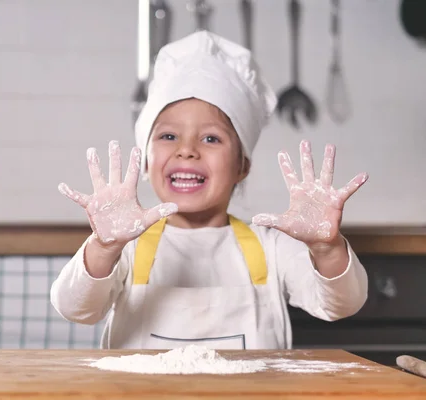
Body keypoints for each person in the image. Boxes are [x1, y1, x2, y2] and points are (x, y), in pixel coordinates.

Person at [50, 30, 369, 350]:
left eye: (211, 138)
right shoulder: (126, 246)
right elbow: (76, 308)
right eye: (168, 137)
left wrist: (327, 249)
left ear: (242, 167)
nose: (187, 150)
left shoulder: (271, 246)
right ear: (146, 163)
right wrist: (103, 248)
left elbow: (341, 305)